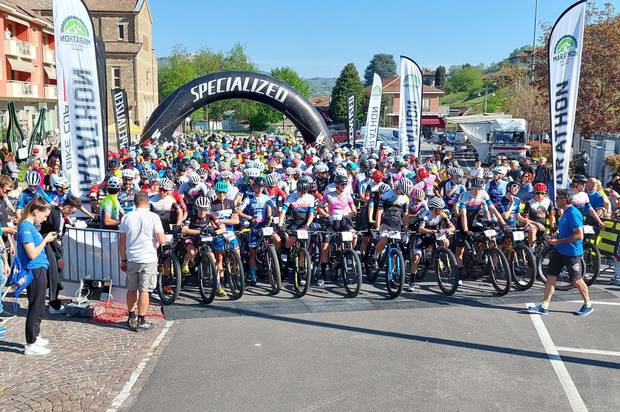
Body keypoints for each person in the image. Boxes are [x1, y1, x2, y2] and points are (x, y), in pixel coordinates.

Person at [528, 189, 593, 317]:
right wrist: (555, 238)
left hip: (572, 253)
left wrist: (558, 241)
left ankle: (588, 304)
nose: (555, 200)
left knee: (577, 280)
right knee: (551, 277)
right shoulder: (565, 212)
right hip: (560, 251)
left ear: (564, 200)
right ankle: (544, 306)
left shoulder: (573, 213)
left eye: (557, 199)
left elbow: (579, 236)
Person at [119, 191, 166, 331]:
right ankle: (142, 319)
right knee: (145, 290)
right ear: (148, 202)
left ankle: (131, 316)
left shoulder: (126, 217)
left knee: (132, 289)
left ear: (134, 202)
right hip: (148, 258)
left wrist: (123, 259)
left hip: (132, 257)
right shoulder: (153, 217)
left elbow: (122, 243)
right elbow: (161, 239)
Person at [17, 197, 58, 355]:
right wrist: (45, 240)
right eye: (44, 215)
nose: (45, 218)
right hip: (34, 269)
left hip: (39, 268)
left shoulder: (29, 226)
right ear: (36, 211)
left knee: (39, 304)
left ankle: (35, 335)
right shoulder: (26, 227)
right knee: (35, 306)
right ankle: (31, 343)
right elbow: (32, 253)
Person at [40, 196, 82, 315]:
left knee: (52, 276)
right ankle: (53, 304)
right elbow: (56, 237)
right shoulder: (57, 216)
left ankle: (52, 302)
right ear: (68, 207)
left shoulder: (55, 212)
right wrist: (60, 257)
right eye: (71, 211)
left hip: (49, 246)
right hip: (51, 248)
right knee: (54, 276)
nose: (70, 214)